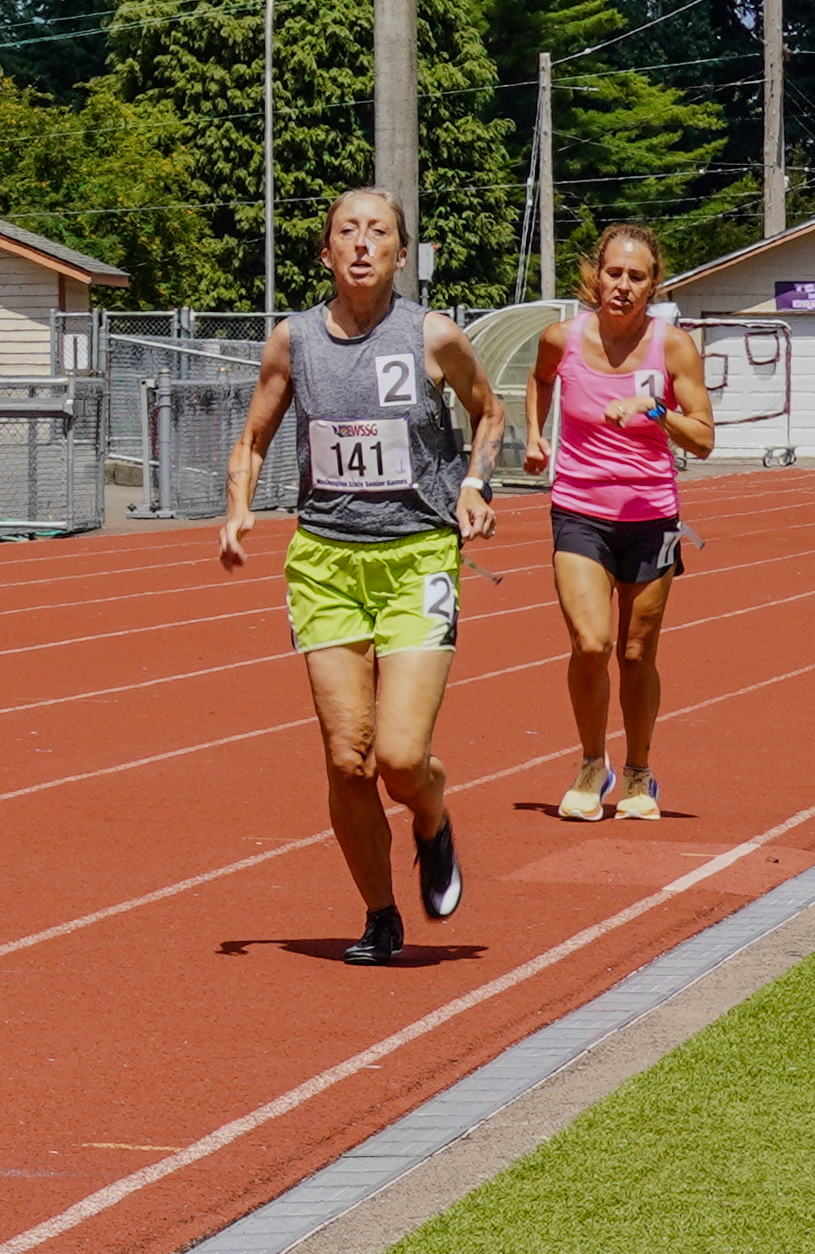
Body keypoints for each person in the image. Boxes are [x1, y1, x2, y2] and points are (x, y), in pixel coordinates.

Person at [219, 189, 505, 966]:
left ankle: (433, 816)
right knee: (348, 756)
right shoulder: (294, 341)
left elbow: (490, 412)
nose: (361, 243)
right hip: (325, 560)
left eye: (378, 232)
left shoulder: (432, 335)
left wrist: (476, 484)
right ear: (325, 251)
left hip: (417, 556)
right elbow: (251, 438)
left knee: (400, 759)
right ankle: (380, 912)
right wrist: (239, 508)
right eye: (346, 231)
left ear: (401, 253)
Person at [524, 224, 713, 821]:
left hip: (652, 516)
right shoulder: (562, 338)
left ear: (653, 285)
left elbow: (704, 438)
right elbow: (540, 379)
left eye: (636, 276)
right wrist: (534, 434)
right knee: (590, 642)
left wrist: (655, 411)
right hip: (579, 508)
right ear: (595, 276)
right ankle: (590, 763)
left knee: (634, 652)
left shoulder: (673, 347)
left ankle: (638, 773)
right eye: (614, 273)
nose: (623, 286)